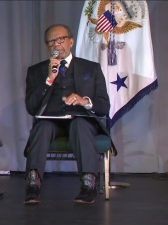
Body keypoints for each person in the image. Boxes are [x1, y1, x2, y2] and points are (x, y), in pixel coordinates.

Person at [23, 24, 114, 204]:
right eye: (51, 42)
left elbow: (104, 106)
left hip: (80, 120)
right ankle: (33, 186)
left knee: (80, 125)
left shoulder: (91, 68)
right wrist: (49, 80)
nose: (56, 45)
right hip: (51, 121)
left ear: (71, 42)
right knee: (41, 127)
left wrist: (84, 101)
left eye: (60, 39)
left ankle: (88, 186)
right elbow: (32, 108)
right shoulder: (36, 71)